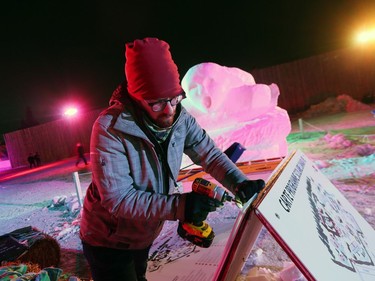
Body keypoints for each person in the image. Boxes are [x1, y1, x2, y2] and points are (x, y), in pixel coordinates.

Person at [79, 37, 265, 281]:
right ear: (137, 98)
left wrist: (239, 183)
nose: (168, 110)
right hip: (108, 240)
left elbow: (209, 154)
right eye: (156, 103)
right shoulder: (110, 128)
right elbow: (118, 199)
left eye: (174, 98)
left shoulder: (180, 117)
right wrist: (181, 206)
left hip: (143, 233)